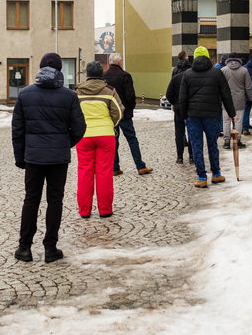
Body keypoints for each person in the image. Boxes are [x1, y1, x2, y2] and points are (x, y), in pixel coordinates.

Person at [12, 52, 86, 264]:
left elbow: (17, 129)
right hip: (58, 158)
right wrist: (64, 143)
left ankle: (24, 247)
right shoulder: (69, 96)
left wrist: (20, 156)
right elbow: (80, 128)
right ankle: (50, 247)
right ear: (60, 70)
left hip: (33, 158)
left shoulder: (26, 94)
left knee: (31, 200)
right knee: (55, 200)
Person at [177, 46, 236, 188]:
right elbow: (226, 94)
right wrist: (232, 113)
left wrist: (184, 115)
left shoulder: (188, 74)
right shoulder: (217, 73)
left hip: (193, 116)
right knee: (212, 144)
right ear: (208, 57)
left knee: (196, 146)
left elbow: (182, 98)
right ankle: (216, 174)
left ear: (194, 57)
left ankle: (201, 177)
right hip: (212, 115)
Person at [75, 62, 124, 218]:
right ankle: (105, 210)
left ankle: (84, 211)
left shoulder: (77, 92)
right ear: (101, 74)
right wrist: (111, 124)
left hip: (84, 136)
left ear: (87, 74)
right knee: (104, 172)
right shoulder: (109, 91)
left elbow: (73, 114)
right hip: (105, 135)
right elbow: (118, 111)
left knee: (84, 172)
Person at [103, 53, 153, 176]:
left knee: (114, 140)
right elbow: (130, 96)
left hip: (111, 114)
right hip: (124, 114)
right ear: (120, 62)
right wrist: (130, 108)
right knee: (132, 139)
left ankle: (115, 167)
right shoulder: (125, 75)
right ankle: (140, 166)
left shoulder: (104, 76)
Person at [221, 53, 252, 150]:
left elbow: (220, 86)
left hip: (226, 100)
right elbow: (248, 87)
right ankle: (237, 140)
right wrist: (250, 98)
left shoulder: (223, 70)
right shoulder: (244, 70)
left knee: (226, 121)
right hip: (240, 100)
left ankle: (226, 141)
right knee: (238, 121)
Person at [166, 56, 193, 164]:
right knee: (191, 132)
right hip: (191, 109)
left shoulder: (175, 78)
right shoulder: (192, 77)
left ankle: (180, 157)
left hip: (178, 109)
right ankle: (191, 156)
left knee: (179, 132)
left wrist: (175, 103)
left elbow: (169, 94)